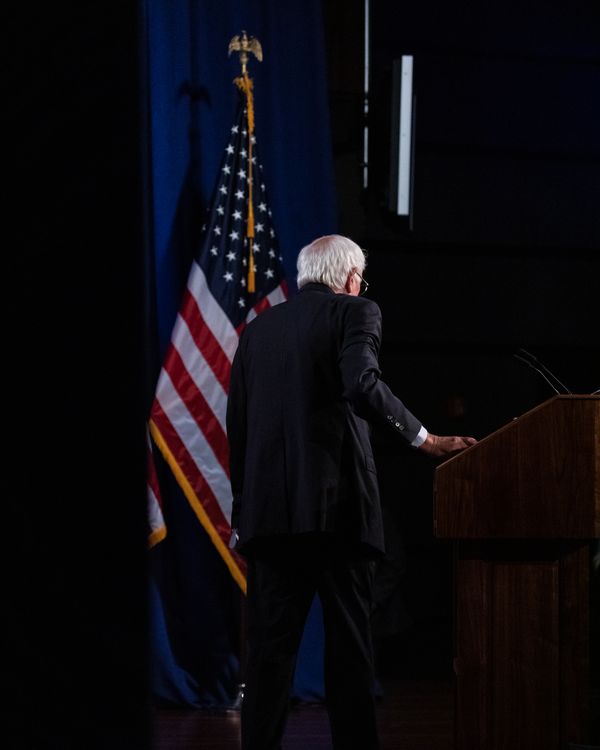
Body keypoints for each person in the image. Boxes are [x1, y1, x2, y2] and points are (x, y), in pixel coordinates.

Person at [226, 234, 477, 750]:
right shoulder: (355, 311)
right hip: (338, 517)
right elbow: (361, 382)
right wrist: (425, 439)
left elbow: (239, 427)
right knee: (349, 655)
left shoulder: (257, 331)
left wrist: (242, 510)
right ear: (349, 278)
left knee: (269, 660)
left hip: (270, 520)